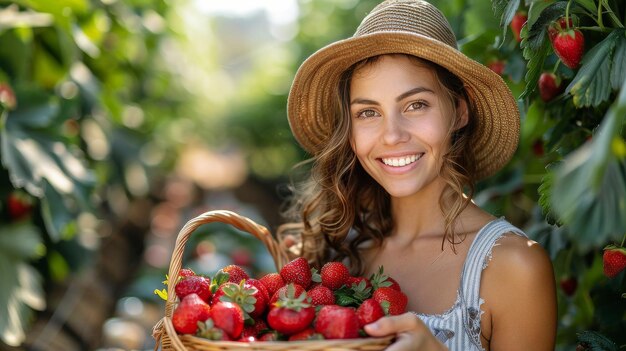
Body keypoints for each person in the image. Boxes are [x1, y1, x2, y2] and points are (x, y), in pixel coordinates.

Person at [278, 0, 557, 350]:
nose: (392, 135)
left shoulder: (514, 265)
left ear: (459, 111)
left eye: (415, 105)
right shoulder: (339, 253)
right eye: (367, 112)